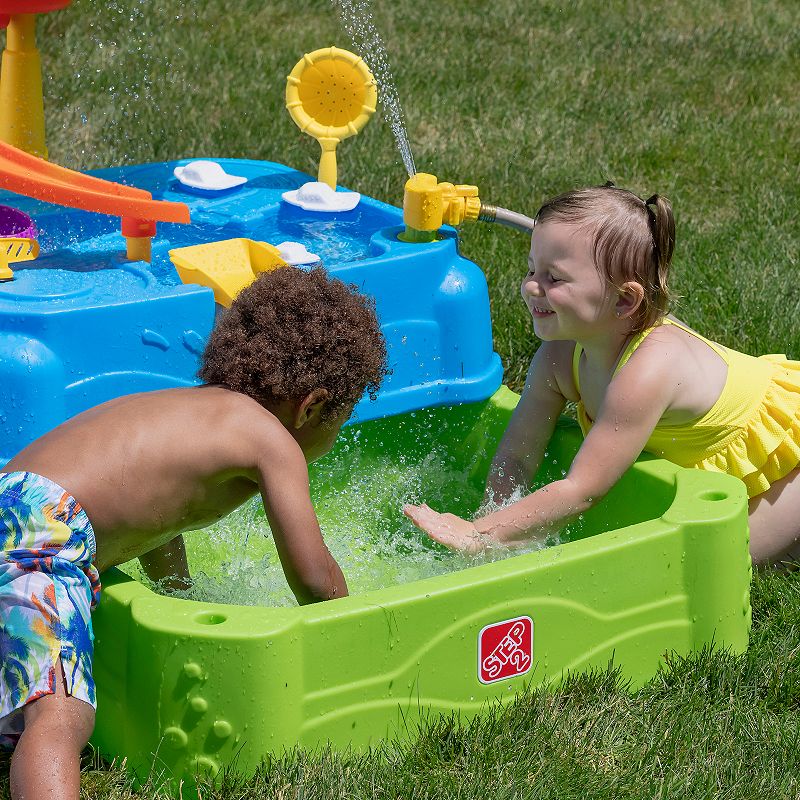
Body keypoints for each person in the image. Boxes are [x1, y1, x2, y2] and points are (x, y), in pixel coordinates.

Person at [0, 265, 388, 800]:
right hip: (45, 526)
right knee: (60, 715)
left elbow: (158, 515)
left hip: (17, 502)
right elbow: (315, 579)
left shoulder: (196, 410)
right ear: (313, 406)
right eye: (340, 418)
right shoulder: (271, 439)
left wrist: (178, 594)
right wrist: (356, 632)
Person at [404, 183, 800, 568]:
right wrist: (489, 519)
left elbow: (582, 489)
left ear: (624, 300)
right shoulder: (559, 356)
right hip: (728, 454)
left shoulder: (650, 368)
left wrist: (480, 536)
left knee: (716, 563)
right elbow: (517, 454)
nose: (530, 286)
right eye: (531, 270)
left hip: (788, 452)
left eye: (553, 278)